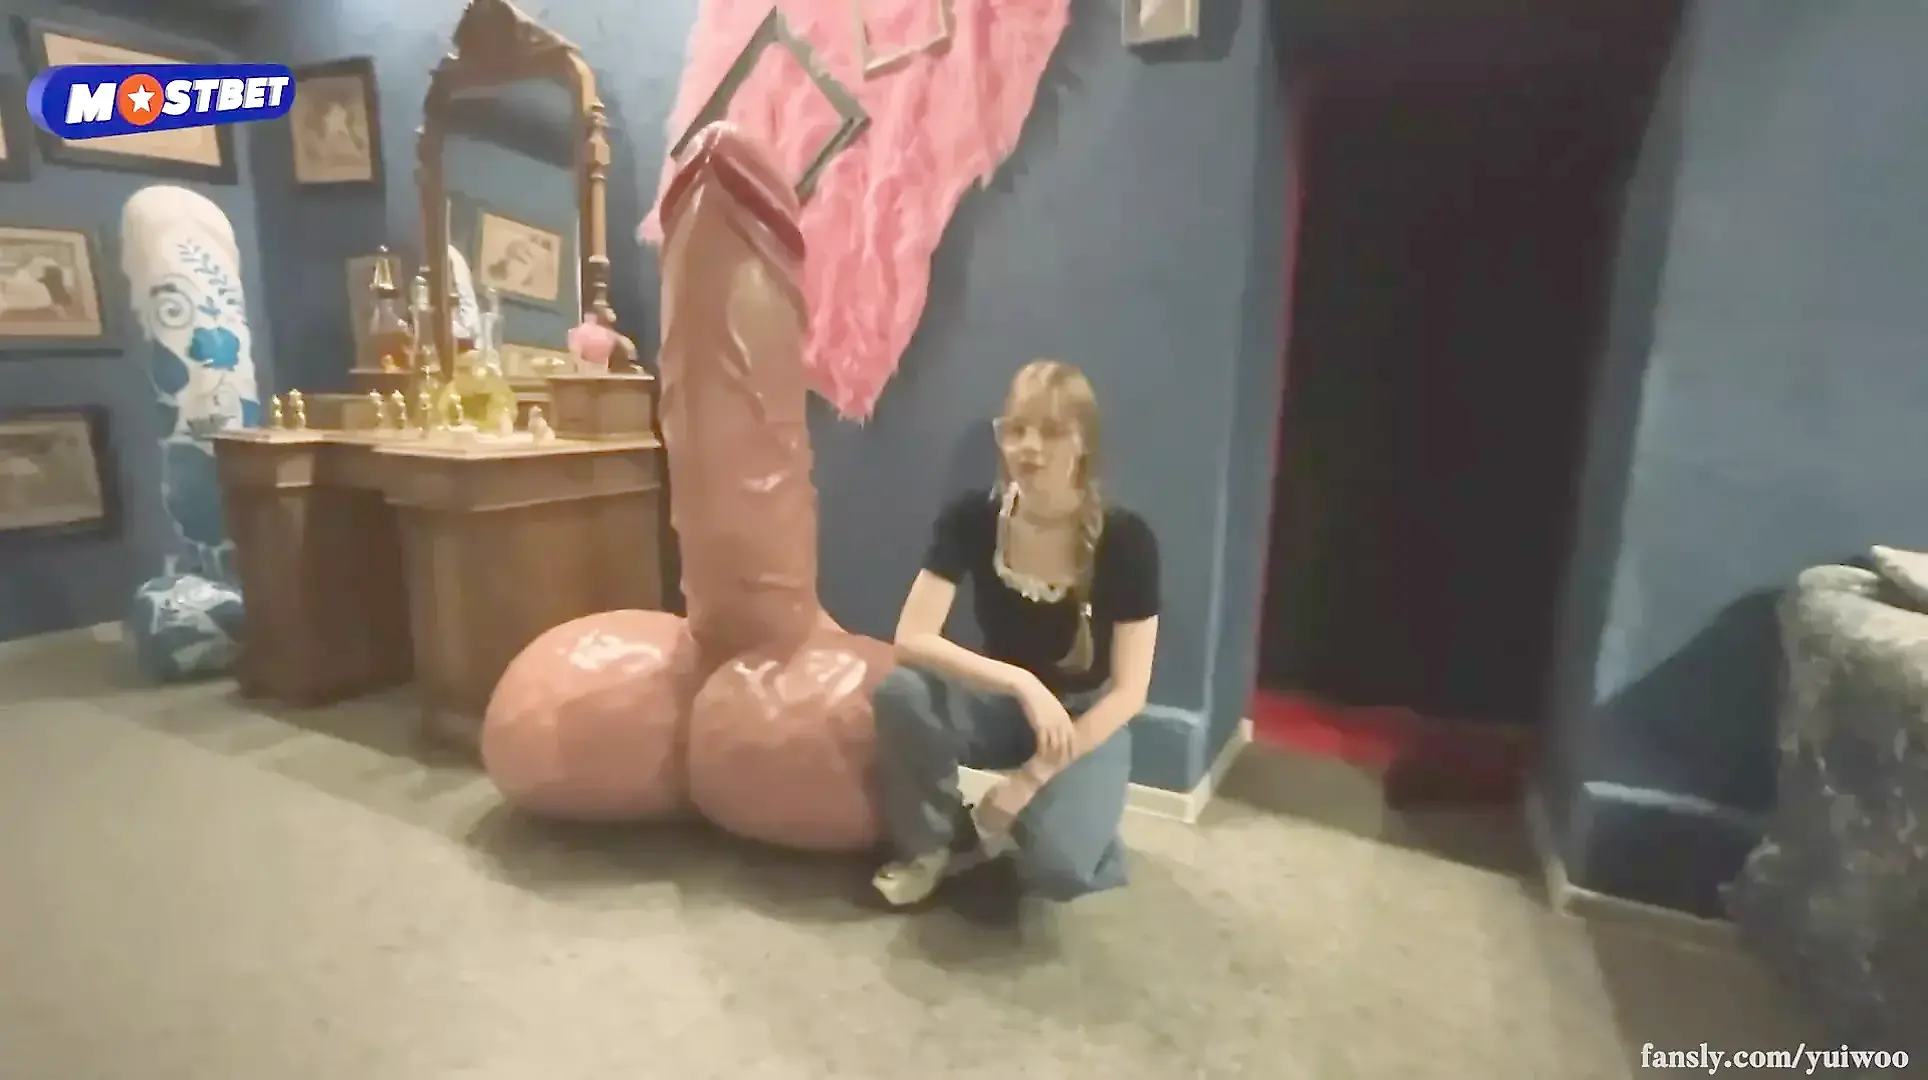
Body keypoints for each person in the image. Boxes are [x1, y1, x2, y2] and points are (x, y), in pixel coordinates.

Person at [871, 358, 1161, 907]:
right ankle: (934, 845)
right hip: (1001, 703)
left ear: (1083, 443)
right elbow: (911, 638)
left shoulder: (1127, 540)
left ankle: (1080, 834)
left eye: (1050, 432)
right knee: (901, 692)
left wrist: (1029, 780)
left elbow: (1130, 692)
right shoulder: (973, 518)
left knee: (1057, 868)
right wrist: (1021, 684)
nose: (1029, 447)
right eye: (1017, 429)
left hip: (1082, 717)